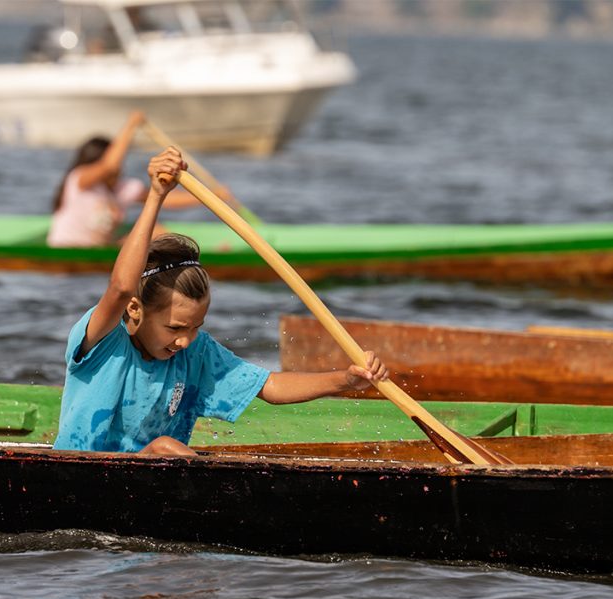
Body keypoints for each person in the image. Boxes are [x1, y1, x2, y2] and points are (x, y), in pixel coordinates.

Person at [53, 146, 388, 456]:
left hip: (154, 477)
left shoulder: (196, 353)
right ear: (135, 311)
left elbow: (270, 386)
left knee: (166, 448)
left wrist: (345, 379)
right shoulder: (105, 340)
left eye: (196, 327)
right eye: (174, 327)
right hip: (80, 475)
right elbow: (121, 287)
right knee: (164, 446)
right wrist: (156, 195)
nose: (185, 340)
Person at [47, 111, 199, 247]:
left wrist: (208, 196)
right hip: (66, 247)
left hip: (101, 248)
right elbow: (109, 166)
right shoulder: (79, 179)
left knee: (157, 231)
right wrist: (131, 125)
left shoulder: (124, 188)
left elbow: (166, 198)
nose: (119, 166)